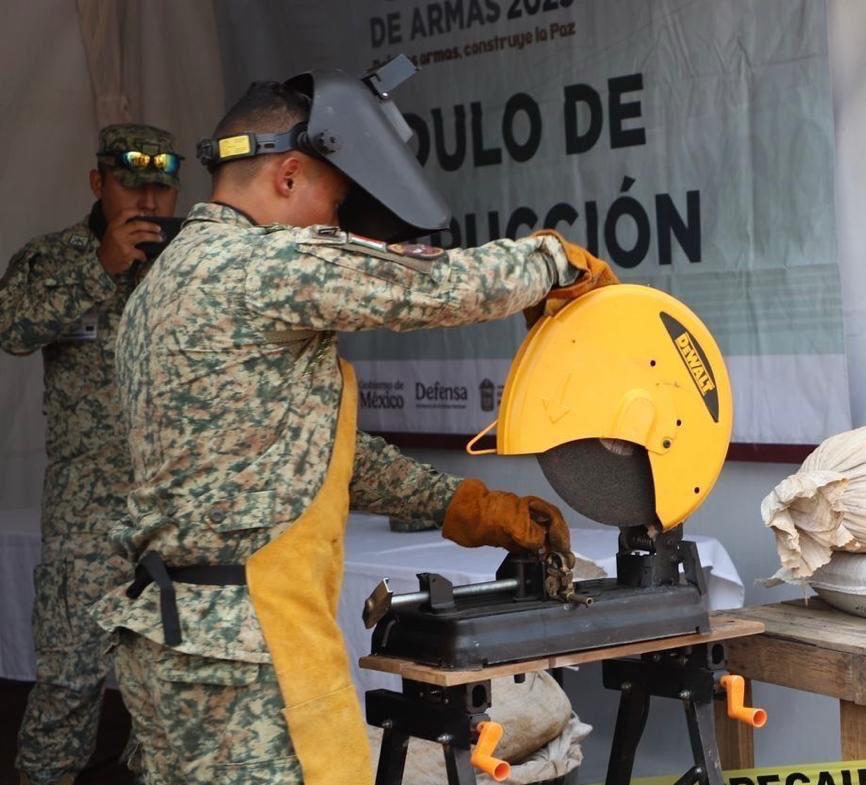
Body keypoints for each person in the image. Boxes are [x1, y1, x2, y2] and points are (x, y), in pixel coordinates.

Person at [93, 64, 617, 785]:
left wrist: (463, 505)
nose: (336, 228)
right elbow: (437, 288)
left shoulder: (165, 283)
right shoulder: (257, 263)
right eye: (336, 204)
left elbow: (307, 452)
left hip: (175, 636)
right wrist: (551, 261)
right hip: (244, 651)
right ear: (288, 175)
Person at [0, 123, 182, 785]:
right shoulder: (53, 259)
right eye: (131, 183)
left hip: (175, 520)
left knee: (171, 694)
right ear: (98, 183)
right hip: (87, 522)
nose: (148, 199)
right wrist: (99, 267)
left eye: (161, 186)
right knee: (69, 686)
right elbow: (11, 327)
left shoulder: (190, 263)